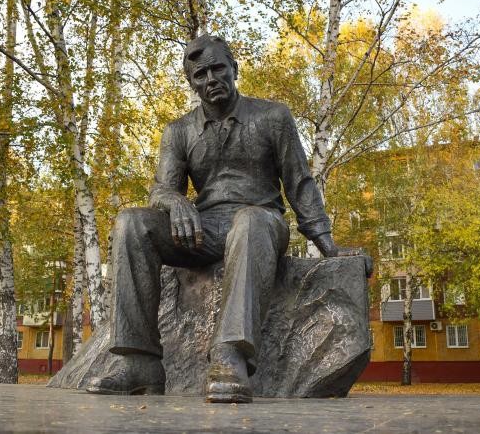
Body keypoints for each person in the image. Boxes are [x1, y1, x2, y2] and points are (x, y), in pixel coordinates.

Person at [86, 34, 371, 403]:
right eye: (200, 75)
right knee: (131, 223)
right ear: (191, 83)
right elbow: (161, 189)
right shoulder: (179, 131)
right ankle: (139, 362)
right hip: (203, 230)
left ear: (234, 69)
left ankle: (230, 356)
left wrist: (328, 246)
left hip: (262, 222)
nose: (211, 80)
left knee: (250, 221)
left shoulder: (272, 117)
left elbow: (300, 183)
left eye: (218, 68)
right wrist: (175, 201)